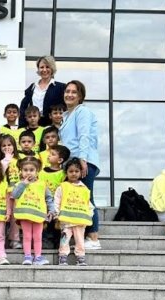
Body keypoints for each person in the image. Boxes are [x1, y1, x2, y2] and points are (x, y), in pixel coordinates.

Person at [58, 80, 101, 250]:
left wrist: (82, 159)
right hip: (72, 162)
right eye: (67, 91)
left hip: (84, 161)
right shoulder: (67, 115)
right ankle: (80, 236)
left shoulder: (82, 111)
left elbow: (84, 136)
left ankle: (94, 237)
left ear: (81, 96)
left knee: (86, 198)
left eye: (74, 92)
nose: (69, 94)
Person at [11, 156, 57, 265]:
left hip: (39, 215)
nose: (28, 173)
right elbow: (15, 195)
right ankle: (27, 256)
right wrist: (23, 184)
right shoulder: (19, 184)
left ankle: (38, 257)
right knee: (27, 236)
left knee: (37, 237)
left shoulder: (42, 184)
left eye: (31, 170)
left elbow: (49, 198)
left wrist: (51, 210)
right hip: (25, 214)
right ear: (21, 171)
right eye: (25, 170)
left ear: (37, 171)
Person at [54, 158, 93, 266]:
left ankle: (80, 257)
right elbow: (57, 200)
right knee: (64, 240)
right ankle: (62, 256)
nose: (74, 174)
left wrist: (89, 214)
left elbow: (88, 204)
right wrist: (57, 214)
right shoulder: (63, 186)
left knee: (80, 240)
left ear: (81, 173)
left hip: (80, 221)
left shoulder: (85, 188)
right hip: (65, 221)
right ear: (66, 172)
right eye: (71, 171)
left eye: (76, 171)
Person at [19, 55, 66, 127]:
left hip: (52, 126)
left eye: (47, 67)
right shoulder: (32, 87)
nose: (44, 70)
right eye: (41, 67)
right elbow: (23, 109)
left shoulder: (61, 87)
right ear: (38, 69)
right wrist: (21, 126)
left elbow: (66, 109)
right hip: (34, 125)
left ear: (52, 69)